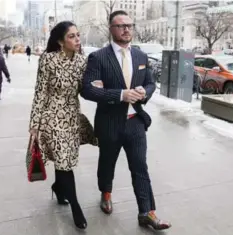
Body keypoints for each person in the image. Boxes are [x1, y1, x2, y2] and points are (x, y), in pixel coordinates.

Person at [81, 10, 171, 230]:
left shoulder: (140, 56)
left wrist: (144, 92)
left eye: (129, 25)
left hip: (135, 122)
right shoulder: (98, 57)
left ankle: (147, 212)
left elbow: (151, 83)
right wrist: (120, 95)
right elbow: (87, 90)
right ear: (111, 29)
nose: (126, 29)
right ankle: (106, 193)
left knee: (140, 167)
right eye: (121, 26)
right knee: (107, 163)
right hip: (109, 122)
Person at [28, 21, 97, 230]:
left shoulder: (82, 62)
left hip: (71, 117)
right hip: (51, 118)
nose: (77, 40)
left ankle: (58, 188)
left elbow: (89, 85)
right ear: (60, 41)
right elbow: (40, 92)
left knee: (63, 160)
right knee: (64, 160)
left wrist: (97, 85)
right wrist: (35, 123)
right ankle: (76, 207)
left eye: (78, 35)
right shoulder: (48, 60)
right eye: (71, 36)